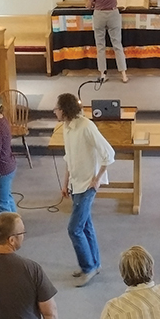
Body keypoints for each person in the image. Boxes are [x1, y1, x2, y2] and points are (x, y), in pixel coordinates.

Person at [55, 93, 115, 287]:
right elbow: (69, 158)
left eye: (57, 108)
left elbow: (109, 154)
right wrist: (65, 183)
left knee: (74, 228)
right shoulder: (66, 127)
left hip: (87, 185)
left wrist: (97, 180)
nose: (55, 111)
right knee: (85, 225)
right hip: (75, 183)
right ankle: (94, 264)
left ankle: (88, 268)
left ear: (64, 110)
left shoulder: (86, 127)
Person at [85, 0, 128, 83]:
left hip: (99, 15)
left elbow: (89, 5)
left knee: (100, 46)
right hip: (113, 14)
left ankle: (103, 74)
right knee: (117, 45)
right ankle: (124, 74)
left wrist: (90, 1)